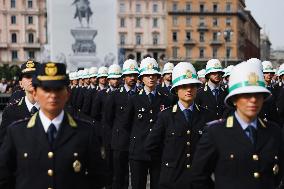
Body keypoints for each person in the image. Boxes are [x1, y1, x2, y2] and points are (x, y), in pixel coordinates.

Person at [0, 62, 106, 189]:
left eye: (58, 89)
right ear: (35, 93)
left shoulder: (85, 133)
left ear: (67, 94)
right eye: (46, 89)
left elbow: (99, 178)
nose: (52, 95)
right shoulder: (17, 132)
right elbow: (5, 177)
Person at [190, 61, 283, 189]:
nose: (253, 100)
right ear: (234, 99)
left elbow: (278, 174)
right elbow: (198, 176)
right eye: (246, 95)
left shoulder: (274, 132)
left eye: (258, 95)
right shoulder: (216, 133)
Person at [145, 62, 208, 188]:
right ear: (176, 89)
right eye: (184, 86)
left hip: (199, 181)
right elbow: (151, 146)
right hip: (172, 179)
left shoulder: (207, 115)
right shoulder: (165, 116)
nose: (189, 89)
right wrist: (168, 162)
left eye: (192, 86)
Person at [120, 57, 170, 189]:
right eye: (147, 76)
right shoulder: (134, 99)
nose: (151, 78)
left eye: (154, 75)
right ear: (141, 79)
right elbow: (126, 123)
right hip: (138, 150)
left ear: (158, 77)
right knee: (138, 185)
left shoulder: (165, 99)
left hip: (158, 151)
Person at [104, 59, 140, 189]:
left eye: (134, 75)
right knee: (119, 176)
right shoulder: (114, 96)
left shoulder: (141, 94)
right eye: (129, 75)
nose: (132, 78)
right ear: (123, 77)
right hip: (120, 141)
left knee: (138, 177)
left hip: (137, 141)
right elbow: (108, 120)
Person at [0, 60, 39, 146]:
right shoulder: (10, 112)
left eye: (36, 76)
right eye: (28, 76)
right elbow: (3, 144)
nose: (32, 80)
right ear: (21, 83)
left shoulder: (52, 110)